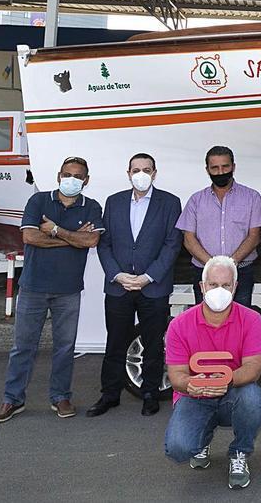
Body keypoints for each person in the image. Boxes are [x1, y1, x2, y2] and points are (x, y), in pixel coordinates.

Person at [0, 156, 104, 423]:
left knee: (65, 348)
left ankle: (61, 397)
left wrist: (54, 230)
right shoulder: (38, 200)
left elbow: (92, 240)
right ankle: (12, 399)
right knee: (23, 347)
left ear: (86, 181)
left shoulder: (92, 207)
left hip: (69, 290)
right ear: (58, 176)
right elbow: (30, 237)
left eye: (78, 176)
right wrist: (72, 238)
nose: (72, 180)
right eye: (67, 174)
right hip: (33, 287)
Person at [89, 153, 183, 418]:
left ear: (154, 173)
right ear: (128, 173)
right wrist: (116, 274)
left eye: (146, 169)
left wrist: (148, 276)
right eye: (136, 169)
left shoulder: (170, 202)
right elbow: (104, 244)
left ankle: (150, 393)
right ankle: (109, 394)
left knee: (154, 342)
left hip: (153, 286)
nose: (141, 174)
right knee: (116, 341)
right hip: (119, 285)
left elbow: (171, 244)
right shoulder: (114, 201)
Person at [163, 256, 261, 490]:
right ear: (202, 287)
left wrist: (226, 381)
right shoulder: (179, 324)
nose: (219, 290)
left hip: (233, 395)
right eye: (212, 284)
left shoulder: (251, 319)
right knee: (178, 449)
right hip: (195, 396)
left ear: (235, 287)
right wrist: (191, 384)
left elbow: (253, 368)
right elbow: (176, 374)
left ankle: (239, 452)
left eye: (226, 285)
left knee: (251, 397)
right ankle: (202, 437)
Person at [177, 146, 261, 307]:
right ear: (207, 170)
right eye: (215, 168)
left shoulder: (252, 197)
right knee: (206, 323)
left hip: (241, 272)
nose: (220, 172)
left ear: (233, 166)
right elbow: (189, 239)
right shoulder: (196, 200)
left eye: (225, 166)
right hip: (204, 273)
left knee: (239, 322)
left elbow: (254, 237)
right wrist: (212, 265)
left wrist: (230, 264)